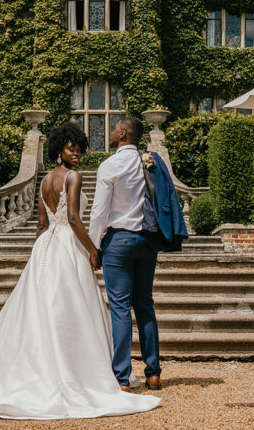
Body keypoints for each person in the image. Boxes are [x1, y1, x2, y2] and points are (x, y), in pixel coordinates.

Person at [0, 122, 160, 420]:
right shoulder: (73, 177)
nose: (76, 155)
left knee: (43, 309)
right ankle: (77, 371)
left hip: (45, 246)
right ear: (59, 148)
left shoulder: (46, 180)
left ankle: (40, 366)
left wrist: (37, 254)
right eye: (72, 149)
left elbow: (42, 225)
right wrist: (92, 249)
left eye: (79, 150)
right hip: (67, 246)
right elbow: (73, 219)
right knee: (71, 309)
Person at [88, 116, 162, 392]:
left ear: (121, 134)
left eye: (112, 128)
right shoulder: (149, 163)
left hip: (119, 241)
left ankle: (122, 377)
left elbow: (99, 212)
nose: (109, 132)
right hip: (147, 241)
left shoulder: (110, 165)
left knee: (120, 309)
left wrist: (93, 246)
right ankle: (153, 373)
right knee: (145, 305)